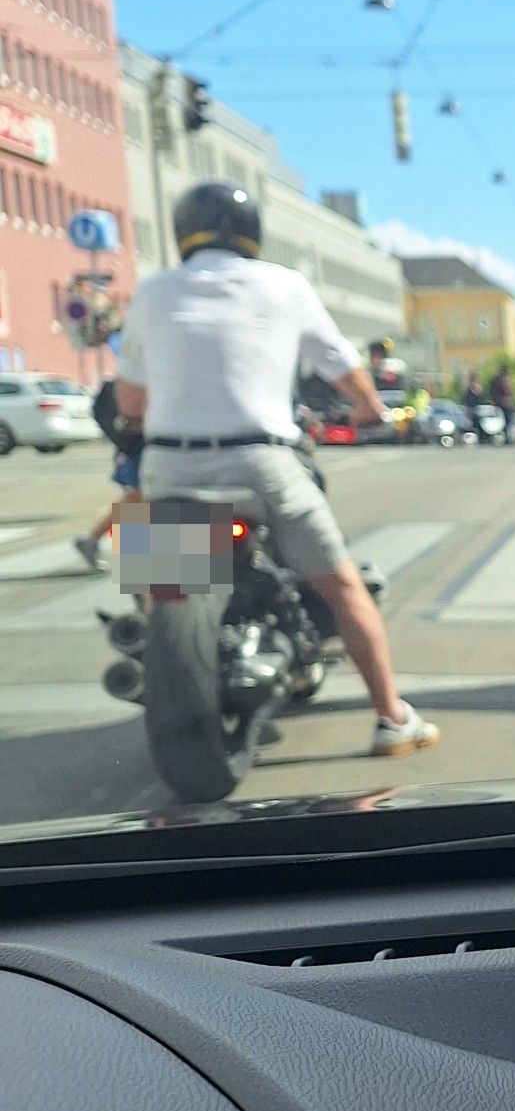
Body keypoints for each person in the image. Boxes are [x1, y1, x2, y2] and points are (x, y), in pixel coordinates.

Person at [113, 180, 439, 757]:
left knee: (164, 589)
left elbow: (130, 401)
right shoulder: (286, 285)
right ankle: (393, 718)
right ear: (253, 233)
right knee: (342, 586)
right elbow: (344, 368)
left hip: (172, 464)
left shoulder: (153, 290)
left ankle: (159, 661)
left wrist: (138, 423)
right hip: (260, 461)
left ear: (182, 233)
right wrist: (368, 409)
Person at [74, 375, 142, 574]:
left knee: (138, 501)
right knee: (140, 500)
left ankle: (92, 539)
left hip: (140, 448)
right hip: (145, 448)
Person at [489, 364, 515, 432]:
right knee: (507, 421)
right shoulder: (504, 380)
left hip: (498, 403)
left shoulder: (495, 380)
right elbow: (507, 391)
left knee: (503, 421)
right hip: (505, 404)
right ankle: (506, 434)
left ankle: (505, 433)